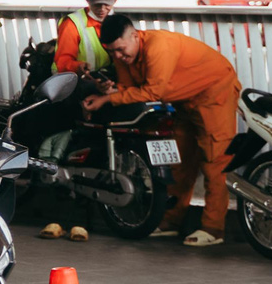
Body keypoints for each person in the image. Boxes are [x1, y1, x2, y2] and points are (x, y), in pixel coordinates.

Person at [82, 14, 241, 247]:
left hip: (214, 93)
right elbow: (127, 88)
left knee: (215, 160)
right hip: (184, 101)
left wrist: (106, 100)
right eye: (112, 51)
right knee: (179, 159)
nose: (117, 56)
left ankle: (213, 228)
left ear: (135, 36)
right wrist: (107, 91)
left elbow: (151, 93)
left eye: (120, 49)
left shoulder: (159, 48)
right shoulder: (122, 55)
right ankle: (171, 221)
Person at [54, 0, 118, 76]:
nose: (102, 9)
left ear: (115, 0)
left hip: (104, 77)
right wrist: (78, 66)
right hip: (75, 79)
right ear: (87, 0)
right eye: (97, 4)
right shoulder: (71, 24)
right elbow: (62, 62)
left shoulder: (119, 23)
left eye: (107, 4)